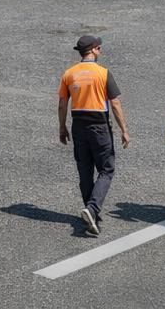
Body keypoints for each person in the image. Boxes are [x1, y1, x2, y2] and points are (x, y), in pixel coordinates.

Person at [57, 35, 131, 237]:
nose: (100, 50)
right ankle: (92, 209)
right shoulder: (103, 73)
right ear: (94, 50)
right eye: (99, 48)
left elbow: (63, 104)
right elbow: (115, 103)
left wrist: (62, 127)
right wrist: (124, 129)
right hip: (99, 125)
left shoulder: (69, 73)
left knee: (84, 169)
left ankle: (92, 216)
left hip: (78, 125)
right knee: (106, 169)